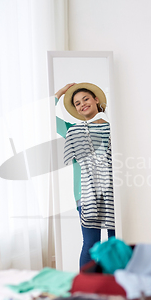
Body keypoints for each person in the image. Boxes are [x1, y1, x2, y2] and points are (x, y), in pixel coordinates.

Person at [55, 82, 115, 269]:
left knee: (116, 242)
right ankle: (87, 285)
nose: (82, 104)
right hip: (85, 194)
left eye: (85, 99)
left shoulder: (115, 128)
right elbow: (48, 119)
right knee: (90, 244)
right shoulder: (72, 131)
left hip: (114, 191)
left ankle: (115, 282)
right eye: (77, 103)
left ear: (96, 100)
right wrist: (59, 94)